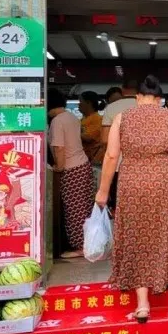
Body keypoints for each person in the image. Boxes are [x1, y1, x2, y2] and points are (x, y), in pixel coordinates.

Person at [94, 75, 168, 323]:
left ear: (137, 98)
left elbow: (112, 156)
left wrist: (103, 191)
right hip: (163, 180)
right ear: (159, 99)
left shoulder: (122, 117)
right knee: (163, 230)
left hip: (132, 182)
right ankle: (167, 276)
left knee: (137, 234)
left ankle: (142, 303)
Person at [48, 88, 95, 259]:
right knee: (84, 207)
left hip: (71, 168)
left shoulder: (57, 121)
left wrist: (59, 167)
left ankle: (80, 246)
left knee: (74, 209)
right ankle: (89, 243)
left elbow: (59, 147)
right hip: (82, 165)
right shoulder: (72, 117)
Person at [101, 79, 138, 210]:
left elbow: (105, 139)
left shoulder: (112, 108)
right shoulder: (150, 108)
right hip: (145, 169)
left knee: (120, 207)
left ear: (122, 90)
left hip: (118, 166)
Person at [79, 91, 106, 165]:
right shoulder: (84, 119)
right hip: (84, 160)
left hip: (93, 161)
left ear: (88, 103)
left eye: (81, 101)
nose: (78, 104)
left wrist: (72, 132)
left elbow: (88, 138)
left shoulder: (97, 119)